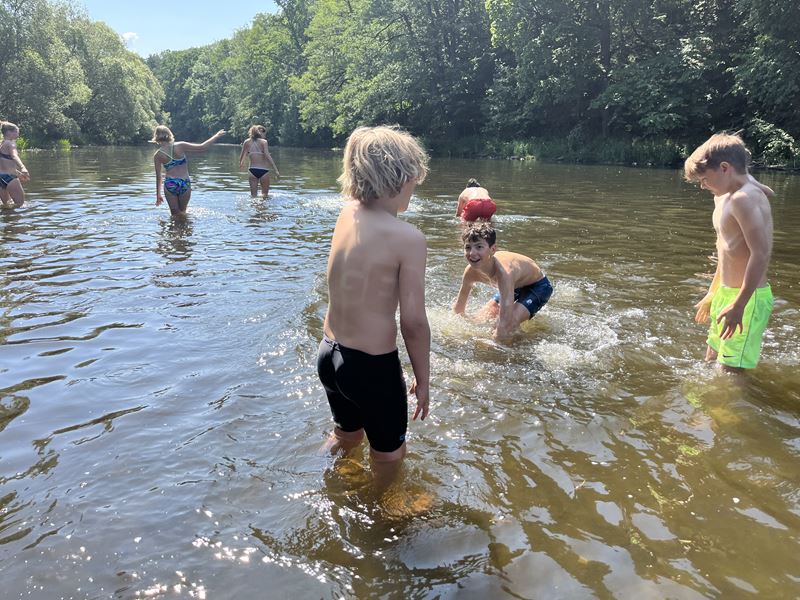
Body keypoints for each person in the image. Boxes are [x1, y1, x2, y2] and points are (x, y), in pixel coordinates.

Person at [316, 125, 430, 490]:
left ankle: (322, 482)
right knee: (389, 457)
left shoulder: (347, 214)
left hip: (329, 354)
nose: (415, 186)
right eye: (414, 178)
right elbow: (413, 322)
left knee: (346, 436)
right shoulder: (408, 239)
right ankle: (381, 515)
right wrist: (423, 379)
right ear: (401, 177)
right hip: (371, 368)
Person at [685, 132, 775, 372]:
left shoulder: (743, 199)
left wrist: (739, 305)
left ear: (724, 168)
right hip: (725, 292)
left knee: (731, 373)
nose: (702, 186)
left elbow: (760, 254)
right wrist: (712, 292)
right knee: (711, 360)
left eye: (705, 179)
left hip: (747, 297)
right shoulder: (725, 195)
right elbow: (725, 250)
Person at [453, 221, 552, 341]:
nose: (472, 253)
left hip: (538, 286)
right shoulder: (470, 272)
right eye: (468, 247)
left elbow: (504, 323)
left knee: (507, 325)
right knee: (479, 319)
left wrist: (492, 346)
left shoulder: (504, 274)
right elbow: (458, 309)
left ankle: (529, 341)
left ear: (493, 249)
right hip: (514, 284)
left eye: (479, 247)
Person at [151, 125, 226, 216]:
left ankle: (173, 225)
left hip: (170, 184)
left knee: (174, 215)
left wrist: (158, 195)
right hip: (184, 183)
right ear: (169, 134)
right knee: (183, 212)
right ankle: (184, 225)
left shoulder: (158, 155)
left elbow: (159, 177)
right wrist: (216, 135)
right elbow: (202, 147)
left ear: (156, 137)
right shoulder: (180, 145)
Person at [238, 124, 280, 198]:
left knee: (253, 196)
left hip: (252, 170)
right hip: (263, 170)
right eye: (264, 134)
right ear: (261, 132)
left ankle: (254, 205)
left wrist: (241, 164)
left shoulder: (247, 142)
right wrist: (276, 169)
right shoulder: (264, 142)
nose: (265, 136)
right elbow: (268, 155)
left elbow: (242, 156)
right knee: (265, 196)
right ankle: (261, 205)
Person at [0, 121, 30, 209]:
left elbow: (4, 163)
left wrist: (17, 172)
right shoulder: (11, 143)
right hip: (10, 178)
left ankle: (7, 217)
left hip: (1, 178)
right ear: (9, 132)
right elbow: (14, 156)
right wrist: (23, 167)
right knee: (20, 204)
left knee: (6, 206)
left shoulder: (1, 144)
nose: (18, 135)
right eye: (16, 132)